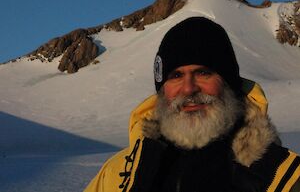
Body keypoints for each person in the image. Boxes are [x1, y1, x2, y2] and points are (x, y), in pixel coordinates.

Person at [84, 17, 300, 192]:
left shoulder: (281, 176)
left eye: (203, 73)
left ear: (229, 84)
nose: (188, 89)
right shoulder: (120, 173)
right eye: (176, 75)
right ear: (162, 90)